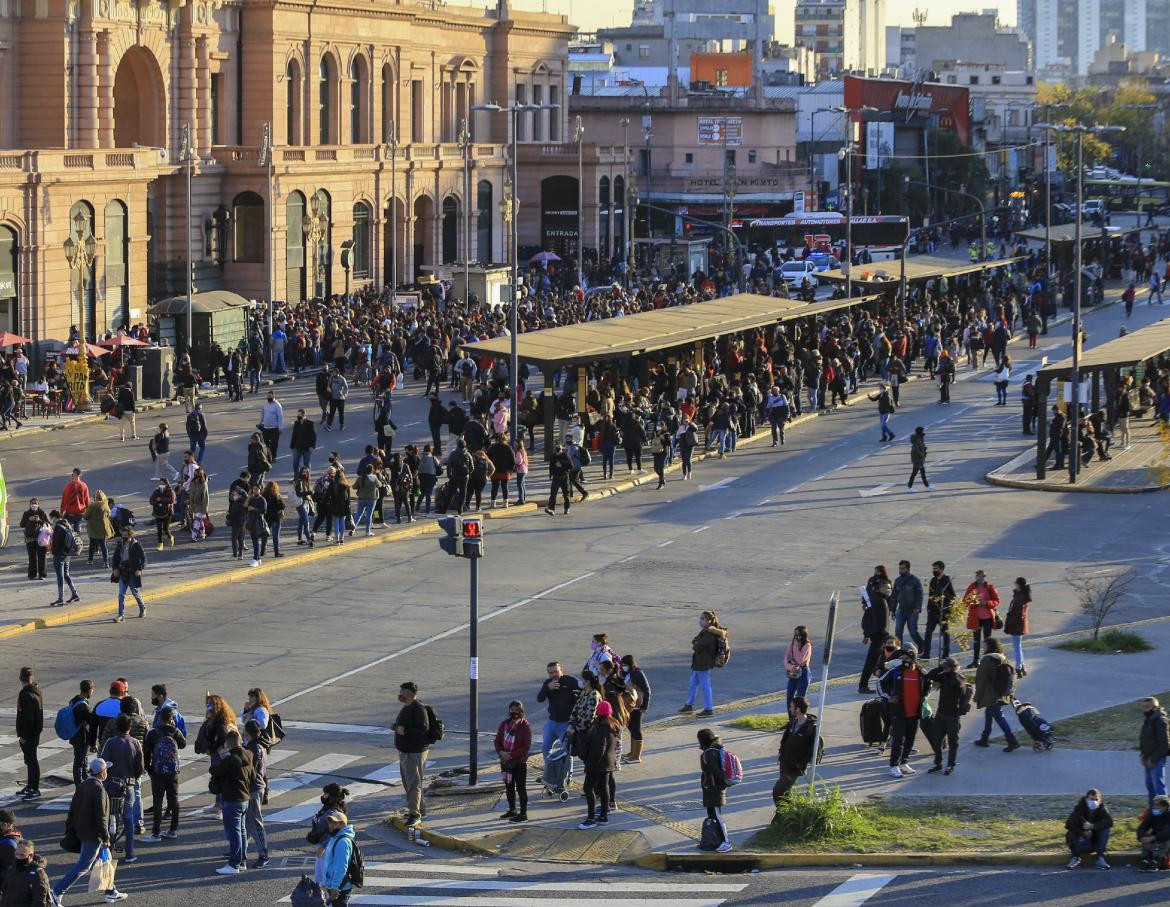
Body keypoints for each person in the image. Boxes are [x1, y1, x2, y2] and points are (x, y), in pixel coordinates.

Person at [51, 758, 127, 903]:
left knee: (105, 861)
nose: (107, 772)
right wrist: (106, 838)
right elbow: (102, 817)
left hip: (82, 830)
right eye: (106, 770)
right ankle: (56, 892)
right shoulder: (99, 789)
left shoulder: (83, 785)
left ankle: (111, 891)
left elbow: (72, 809)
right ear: (102, 773)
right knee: (84, 865)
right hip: (93, 834)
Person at [99, 713, 144, 865]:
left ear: (117, 726)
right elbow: (140, 767)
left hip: (112, 785)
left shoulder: (111, 742)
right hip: (129, 785)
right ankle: (130, 853)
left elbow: (103, 762)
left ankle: (108, 851)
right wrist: (133, 778)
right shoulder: (136, 743)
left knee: (111, 818)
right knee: (129, 819)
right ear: (129, 727)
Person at [880, 645, 928, 778]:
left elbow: (927, 685)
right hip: (899, 712)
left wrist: (924, 696)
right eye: (902, 657)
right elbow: (880, 683)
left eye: (906, 657)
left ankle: (904, 762)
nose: (903, 660)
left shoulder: (920, 673)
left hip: (914, 712)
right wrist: (889, 697)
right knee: (898, 740)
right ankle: (894, 766)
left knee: (910, 739)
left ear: (914, 659)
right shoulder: (896, 671)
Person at [210, 729, 254, 874]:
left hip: (232, 799)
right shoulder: (248, 754)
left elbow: (214, 771)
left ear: (228, 744)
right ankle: (241, 861)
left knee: (235, 832)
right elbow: (252, 776)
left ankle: (234, 864)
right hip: (245, 798)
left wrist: (222, 757)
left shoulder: (230, 759)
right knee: (241, 831)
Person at [141, 706, 185, 842]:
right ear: (172, 719)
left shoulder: (153, 733)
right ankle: (173, 829)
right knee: (174, 800)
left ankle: (156, 833)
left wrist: (149, 769)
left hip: (158, 772)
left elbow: (146, 753)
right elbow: (183, 744)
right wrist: (175, 728)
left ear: (160, 717)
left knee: (158, 801)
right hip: (173, 772)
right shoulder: (175, 731)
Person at [577, 700, 618, 830]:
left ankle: (590, 818)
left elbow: (600, 748)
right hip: (608, 763)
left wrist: (590, 762)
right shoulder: (613, 725)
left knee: (588, 788)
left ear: (598, 712)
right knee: (604, 787)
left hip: (597, 764)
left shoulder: (600, 727)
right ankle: (603, 816)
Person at [393, 682, 430, 827]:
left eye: (402, 692)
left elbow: (423, 728)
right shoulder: (407, 707)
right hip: (406, 751)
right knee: (411, 782)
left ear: (408, 694)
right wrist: (396, 727)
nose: (399, 694)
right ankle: (420, 809)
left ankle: (415, 814)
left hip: (414, 752)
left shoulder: (418, 708)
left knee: (413, 784)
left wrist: (405, 731)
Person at [973, 638, 1019, 752]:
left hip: (992, 694)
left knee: (998, 716)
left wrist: (977, 696)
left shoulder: (987, 659)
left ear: (989, 646)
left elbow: (981, 680)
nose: (984, 648)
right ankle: (984, 738)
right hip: (1001, 692)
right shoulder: (1002, 657)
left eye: (985, 645)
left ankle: (1012, 740)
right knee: (989, 713)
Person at [679, 610, 726, 718]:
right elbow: (695, 641)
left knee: (705, 686)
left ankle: (708, 709)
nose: (700, 621)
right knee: (693, 684)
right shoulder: (705, 631)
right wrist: (696, 642)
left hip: (704, 663)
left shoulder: (709, 633)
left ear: (709, 621)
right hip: (699, 663)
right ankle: (689, 705)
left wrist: (696, 643)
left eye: (702, 619)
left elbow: (697, 646)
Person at [772, 696, 817, 804]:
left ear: (798, 709)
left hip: (795, 768)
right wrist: (781, 752)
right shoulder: (793, 722)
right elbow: (784, 739)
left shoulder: (810, 727)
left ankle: (784, 813)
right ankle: (786, 816)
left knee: (777, 791)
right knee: (785, 793)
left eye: (791, 707)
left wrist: (801, 763)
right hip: (784, 763)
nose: (790, 709)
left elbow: (811, 750)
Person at [924, 657, 964, 775]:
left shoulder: (958, 680)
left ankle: (950, 765)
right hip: (941, 715)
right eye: (944, 667)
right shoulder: (944, 676)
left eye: (946, 667)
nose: (944, 668)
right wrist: (940, 668)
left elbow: (962, 700)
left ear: (953, 668)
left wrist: (958, 714)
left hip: (952, 717)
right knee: (936, 740)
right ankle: (938, 763)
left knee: (953, 742)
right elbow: (930, 675)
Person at [494, 700, 532, 823]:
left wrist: (511, 755)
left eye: (517, 711)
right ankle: (512, 810)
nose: (514, 713)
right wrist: (501, 753)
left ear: (521, 712)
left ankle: (523, 814)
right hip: (505, 762)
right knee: (509, 786)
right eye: (512, 710)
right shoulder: (504, 724)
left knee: (521, 788)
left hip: (519, 762)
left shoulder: (525, 726)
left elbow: (526, 747)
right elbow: (497, 741)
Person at [535, 662, 580, 764]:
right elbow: (540, 698)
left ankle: (568, 776)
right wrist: (547, 689)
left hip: (566, 724)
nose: (553, 674)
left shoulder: (571, 681)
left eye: (556, 671)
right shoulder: (548, 683)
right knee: (545, 747)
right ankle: (549, 772)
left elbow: (584, 690)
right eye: (551, 673)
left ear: (561, 671)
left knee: (567, 750)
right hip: (552, 722)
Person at [697, 728, 732, 852]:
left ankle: (726, 842)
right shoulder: (715, 749)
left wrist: (710, 784)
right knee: (713, 815)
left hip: (714, 789)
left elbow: (714, 771)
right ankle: (716, 841)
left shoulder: (709, 752)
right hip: (713, 788)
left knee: (717, 816)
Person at [242, 719, 270, 867]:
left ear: (247, 733)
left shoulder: (253, 748)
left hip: (253, 788)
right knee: (247, 821)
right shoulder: (261, 745)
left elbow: (248, 770)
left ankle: (264, 854)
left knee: (254, 822)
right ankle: (241, 849)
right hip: (257, 786)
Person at [1065, 788, 1113, 869]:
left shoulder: (1101, 808)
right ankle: (1075, 857)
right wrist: (1083, 833)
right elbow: (1069, 824)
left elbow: (1110, 822)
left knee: (1106, 830)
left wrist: (1093, 826)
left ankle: (1100, 858)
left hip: (1095, 840)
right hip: (1081, 840)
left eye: (1096, 799)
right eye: (1091, 799)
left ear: (1099, 800)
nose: (1094, 802)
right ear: (1086, 799)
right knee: (1070, 832)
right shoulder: (1079, 808)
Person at [858, 577, 891, 694]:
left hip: (878, 635)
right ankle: (864, 684)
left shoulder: (876, 599)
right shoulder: (880, 601)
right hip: (880, 636)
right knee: (872, 661)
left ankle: (879, 676)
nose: (889, 590)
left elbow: (867, 618)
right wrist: (882, 636)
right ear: (881, 588)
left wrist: (866, 634)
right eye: (887, 588)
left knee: (879, 659)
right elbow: (875, 620)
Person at [15, 667, 43, 802]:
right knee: (30, 760)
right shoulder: (36, 691)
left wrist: (24, 736)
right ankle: (31, 786)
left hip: (29, 734)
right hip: (35, 732)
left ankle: (34, 788)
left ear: (20, 678)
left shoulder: (25, 695)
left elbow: (28, 718)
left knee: (31, 761)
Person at [110, 523, 146, 622]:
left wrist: (139, 569)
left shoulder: (136, 545)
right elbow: (115, 558)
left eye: (126, 535)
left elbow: (143, 558)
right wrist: (115, 569)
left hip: (132, 572)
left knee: (135, 593)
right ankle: (121, 615)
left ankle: (142, 608)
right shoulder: (120, 544)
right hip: (123, 572)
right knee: (121, 594)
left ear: (130, 535)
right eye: (123, 535)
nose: (124, 537)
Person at [963, 569, 1001, 666]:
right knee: (976, 640)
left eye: (983, 577)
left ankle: (987, 660)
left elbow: (996, 601)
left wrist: (987, 603)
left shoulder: (989, 587)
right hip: (976, 618)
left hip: (987, 617)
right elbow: (965, 601)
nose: (981, 578)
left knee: (987, 640)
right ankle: (975, 660)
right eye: (979, 576)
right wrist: (975, 602)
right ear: (976, 577)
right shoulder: (972, 587)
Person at [319, 809, 356, 905]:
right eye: (330, 823)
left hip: (340, 888)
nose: (330, 826)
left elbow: (341, 867)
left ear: (342, 824)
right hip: (334, 885)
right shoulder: (335, 838)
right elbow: (330, 864)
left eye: (334, 823)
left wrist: (335, 887)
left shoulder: (342, 842)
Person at [1, 838, 52, 906]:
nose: (18, 857)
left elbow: (40, 902)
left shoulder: (38, 876)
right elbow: (5, 890)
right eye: (16, 854)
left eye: (22, 855)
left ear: (30, 855)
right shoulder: (13, 867)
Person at [620, 654, 651, 764]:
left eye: (624, 665)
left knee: (636, 729)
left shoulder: (638, 673)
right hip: (630, 705)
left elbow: (647, 690)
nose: (622, 667)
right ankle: (632, 752)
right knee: (631, 728)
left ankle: (636, 756)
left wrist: (645, 706)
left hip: (637, 705)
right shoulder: (626, 673)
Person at [67, 680, 97, 788]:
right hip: (82, 737)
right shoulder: (83, 706)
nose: (92, 692)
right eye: (92, 690)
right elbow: (91, 722)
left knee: (83, 760)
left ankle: (85, 782)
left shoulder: (74, 700)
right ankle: (79, 786)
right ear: (89, 690)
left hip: (74, 735)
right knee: (79, 762)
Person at [1140, 697, 1169, 806]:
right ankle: (1153, 815)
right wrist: (1142, 754)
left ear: (1155, 707)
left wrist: (1153, 759)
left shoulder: (1160, 720)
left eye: (1147, 707)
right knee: (1150, 787)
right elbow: (1144, 739)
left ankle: (1164, 817)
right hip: (1148, 758)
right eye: (1143, 707)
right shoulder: (1149, 719)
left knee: (1159, 788)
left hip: (1156, 759)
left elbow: (1165, 744)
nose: (1144, 710)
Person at [48, 510, 80, 607]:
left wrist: (52, 551)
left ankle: (60, 599)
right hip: (68, 554)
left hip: (59, 555)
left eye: (51, 518)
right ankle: (74, 594)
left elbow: (57, 543)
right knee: (66, 574)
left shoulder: (58, 527)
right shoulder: (66, 524)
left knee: (60, 576)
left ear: (54, 517)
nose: (51, 520)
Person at [923, 561, 955, 661]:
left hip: (943, 611)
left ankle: (946, 654)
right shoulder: (933, 580)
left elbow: (952, 596)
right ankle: (926, 653)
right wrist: (929, 607)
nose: (934, 571)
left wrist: (946, 606)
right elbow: (930, 595)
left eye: (936, 569)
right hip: (933, 611)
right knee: (928, 632)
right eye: (933, 569)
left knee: (945, 633)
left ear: (941, 569)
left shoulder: (947, 580)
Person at [892, 560, 926, 651]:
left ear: (908, 569)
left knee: (913, 631)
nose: (900, 570)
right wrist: (893, 609)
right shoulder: (898, 581)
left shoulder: (915, 581)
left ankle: (921, 644)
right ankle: (899, 650)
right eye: (900, 568)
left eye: (903, 568)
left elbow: (920, 595)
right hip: (901, 609)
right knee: (898, 631)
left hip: (912, 610)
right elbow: (894, 596)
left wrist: (918, 607)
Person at [1004, 577, 1031, 678]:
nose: (1014, 585)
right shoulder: (1022, 595)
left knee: (1017, 647)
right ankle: (1022, 666)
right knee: (1018, 646)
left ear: (1019, 585)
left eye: (1016, 584)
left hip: (1017, 625)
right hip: (1019, 625)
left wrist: (1010, 622)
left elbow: (1018, 614)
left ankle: (1018, 667)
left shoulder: (1020, 597)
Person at [1138, 794, 1170, 872]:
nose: (1154, 807)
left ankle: (1157, 860)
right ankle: (1145, 860)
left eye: (1156, 805)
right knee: (1146, 838)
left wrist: (1153, 838)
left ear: (1164, 806)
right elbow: (1142, 827)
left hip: (1166, 840)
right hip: (1157, 837)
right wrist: (1142, 837)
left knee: (1163, 841)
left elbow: (1167, 832)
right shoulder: (1152, 815)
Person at [19, 498, 48, 581]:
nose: (33, 505)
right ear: (29, 504)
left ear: (38, 504)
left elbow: (48, 524)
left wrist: (39, 520)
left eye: (35, 503)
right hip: (30, 539)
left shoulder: (42, 513)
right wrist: (29, 519)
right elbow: (21, 524)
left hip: (41, 538)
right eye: (32, 503)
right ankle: (32, 575)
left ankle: (42, 575)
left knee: (42, 557)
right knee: (32, 558)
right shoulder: (26, 513)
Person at [84, 491, 115, 567]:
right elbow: (109, 515)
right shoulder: (105, 505)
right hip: (103, 528)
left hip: (93, 528)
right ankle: (106, 562)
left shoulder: (92, 505)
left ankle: (90, 560)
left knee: (92, 545)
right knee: (103, 546)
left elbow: (86, 516)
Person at [784, 627, 811, 713]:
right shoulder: (792, 643)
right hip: (793, 672)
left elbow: (800, 660)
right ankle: (791, 721)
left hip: (803, 672)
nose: (796, 636)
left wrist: (796, 646)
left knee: (800, 699)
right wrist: (790, 667)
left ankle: (799, 719)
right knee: (789, 697)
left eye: (798, 634)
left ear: (803, 635)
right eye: (795, 634)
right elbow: (786, 658)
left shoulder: (807, 646)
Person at [544, 443, 573, 516]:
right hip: (556, 477)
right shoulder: (553, 456)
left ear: (561, 449)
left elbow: (571, 465)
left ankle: (567, 507)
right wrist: (550, 474)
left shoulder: (565, 455)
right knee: (553, 494)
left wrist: (562, 464)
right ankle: (551, 509)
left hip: (564, 476)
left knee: (566, 494)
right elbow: (551, 466)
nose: (557, 450)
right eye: (556, 448)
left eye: (559, 448)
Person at [149, 478, 176, 552]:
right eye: (160, 484)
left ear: (166, 484)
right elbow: (151, 500)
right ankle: (160, 544)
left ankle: (170, 537)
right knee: (159, 529)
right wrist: (156, 501)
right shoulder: (156, 491)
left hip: (167, 512)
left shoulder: (170, 491)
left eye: (163, 484)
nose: (161, 485)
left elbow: (172, 500)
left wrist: (161, 499)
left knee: (165, 528)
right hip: (158, 512)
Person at [290, 409, 317, 477]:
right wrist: (292, 445)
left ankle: (307, 477)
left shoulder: (310, 423)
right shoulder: (296, 423)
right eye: (297, 415)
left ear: (304, 415)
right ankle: (296, 477)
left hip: (307, 448)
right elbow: (294, 434)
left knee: (306, 464)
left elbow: (313, 436)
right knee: (295, 463)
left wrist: (312, 446)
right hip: (297, 447)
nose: (298, 416)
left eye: (299, 415)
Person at [259, 391, 284, 462]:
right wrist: (260, 423)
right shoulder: (265, 405)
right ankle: (267, 456)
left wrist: (280, 428)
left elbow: (280, 417)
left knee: (274, 443)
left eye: (270, 396)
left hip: (274, 428)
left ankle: (273, 456)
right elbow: (262, 414)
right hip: (266, 427)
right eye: (267, 396)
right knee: (265, 443)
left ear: (273, 396)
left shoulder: (277, 405)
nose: (268, 397)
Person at [907, 426, 930, 490]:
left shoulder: (919, 438)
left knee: (920, 474)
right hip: (917, 460)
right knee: (916, 474)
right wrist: (922, 454)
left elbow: (919, 447)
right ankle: (909, 488)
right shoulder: (917, 439)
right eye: (922, 431)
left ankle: (927, 486)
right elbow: (915, 449)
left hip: (918, 459)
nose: (923, 432)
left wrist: (924, 449)